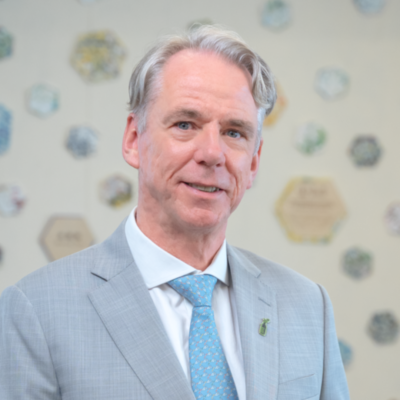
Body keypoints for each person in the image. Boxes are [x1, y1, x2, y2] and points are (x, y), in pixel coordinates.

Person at [0, 26, 350, 400]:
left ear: (253, 162)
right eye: (185, 124)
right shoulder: (35, 311)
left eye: (234, 132)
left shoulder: (308, 305)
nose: (212, 153)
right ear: (134, 140)